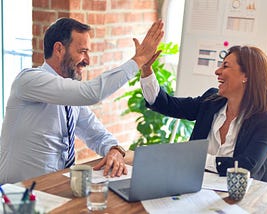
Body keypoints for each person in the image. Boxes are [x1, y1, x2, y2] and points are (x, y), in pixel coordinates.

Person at [0, 17, 164, 184]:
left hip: (55, 189)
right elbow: (90, 93)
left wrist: (114, 149)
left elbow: (96, 134)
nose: (88, 61)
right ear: (59, 49)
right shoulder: (29, 80)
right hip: (18, 195)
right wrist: (138, 60)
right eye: (82, 51)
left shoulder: (69, 97)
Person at [140, 45, 267, 183]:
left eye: (225, 66)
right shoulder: (211, 101)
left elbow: (246, 166)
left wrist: (196, 158)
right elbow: (167, 104)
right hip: (193, 186)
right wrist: (146, 70)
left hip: (237, 197)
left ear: (246, 75)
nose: (217, 71)